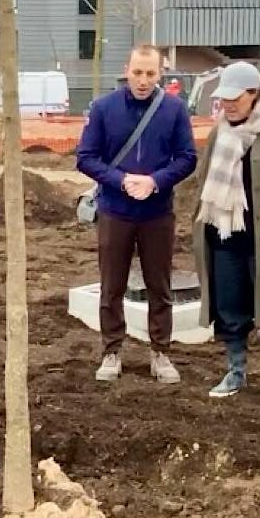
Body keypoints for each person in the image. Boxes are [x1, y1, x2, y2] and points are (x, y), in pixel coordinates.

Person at [76, 44, 198, 383]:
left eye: (150, 73)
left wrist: (156, 182)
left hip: (158, 213)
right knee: (111, 285)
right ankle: (112, 351)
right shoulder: (103, 108)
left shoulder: (174, 110)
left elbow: (188, 157)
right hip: (115, 211)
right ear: (126, 70)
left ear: (161, 74)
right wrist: (121, 180)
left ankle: (160, 352)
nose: (143, 81)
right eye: (137, 72)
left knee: (160, 286)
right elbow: (85, 156)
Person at [192, 61, 260, 402]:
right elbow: (203, 178)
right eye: (223, 97)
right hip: (225, 235)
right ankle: (235, 370)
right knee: (230, 307)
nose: (227, 104)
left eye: (235, 98)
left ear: (255, 94)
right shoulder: (220, 131)